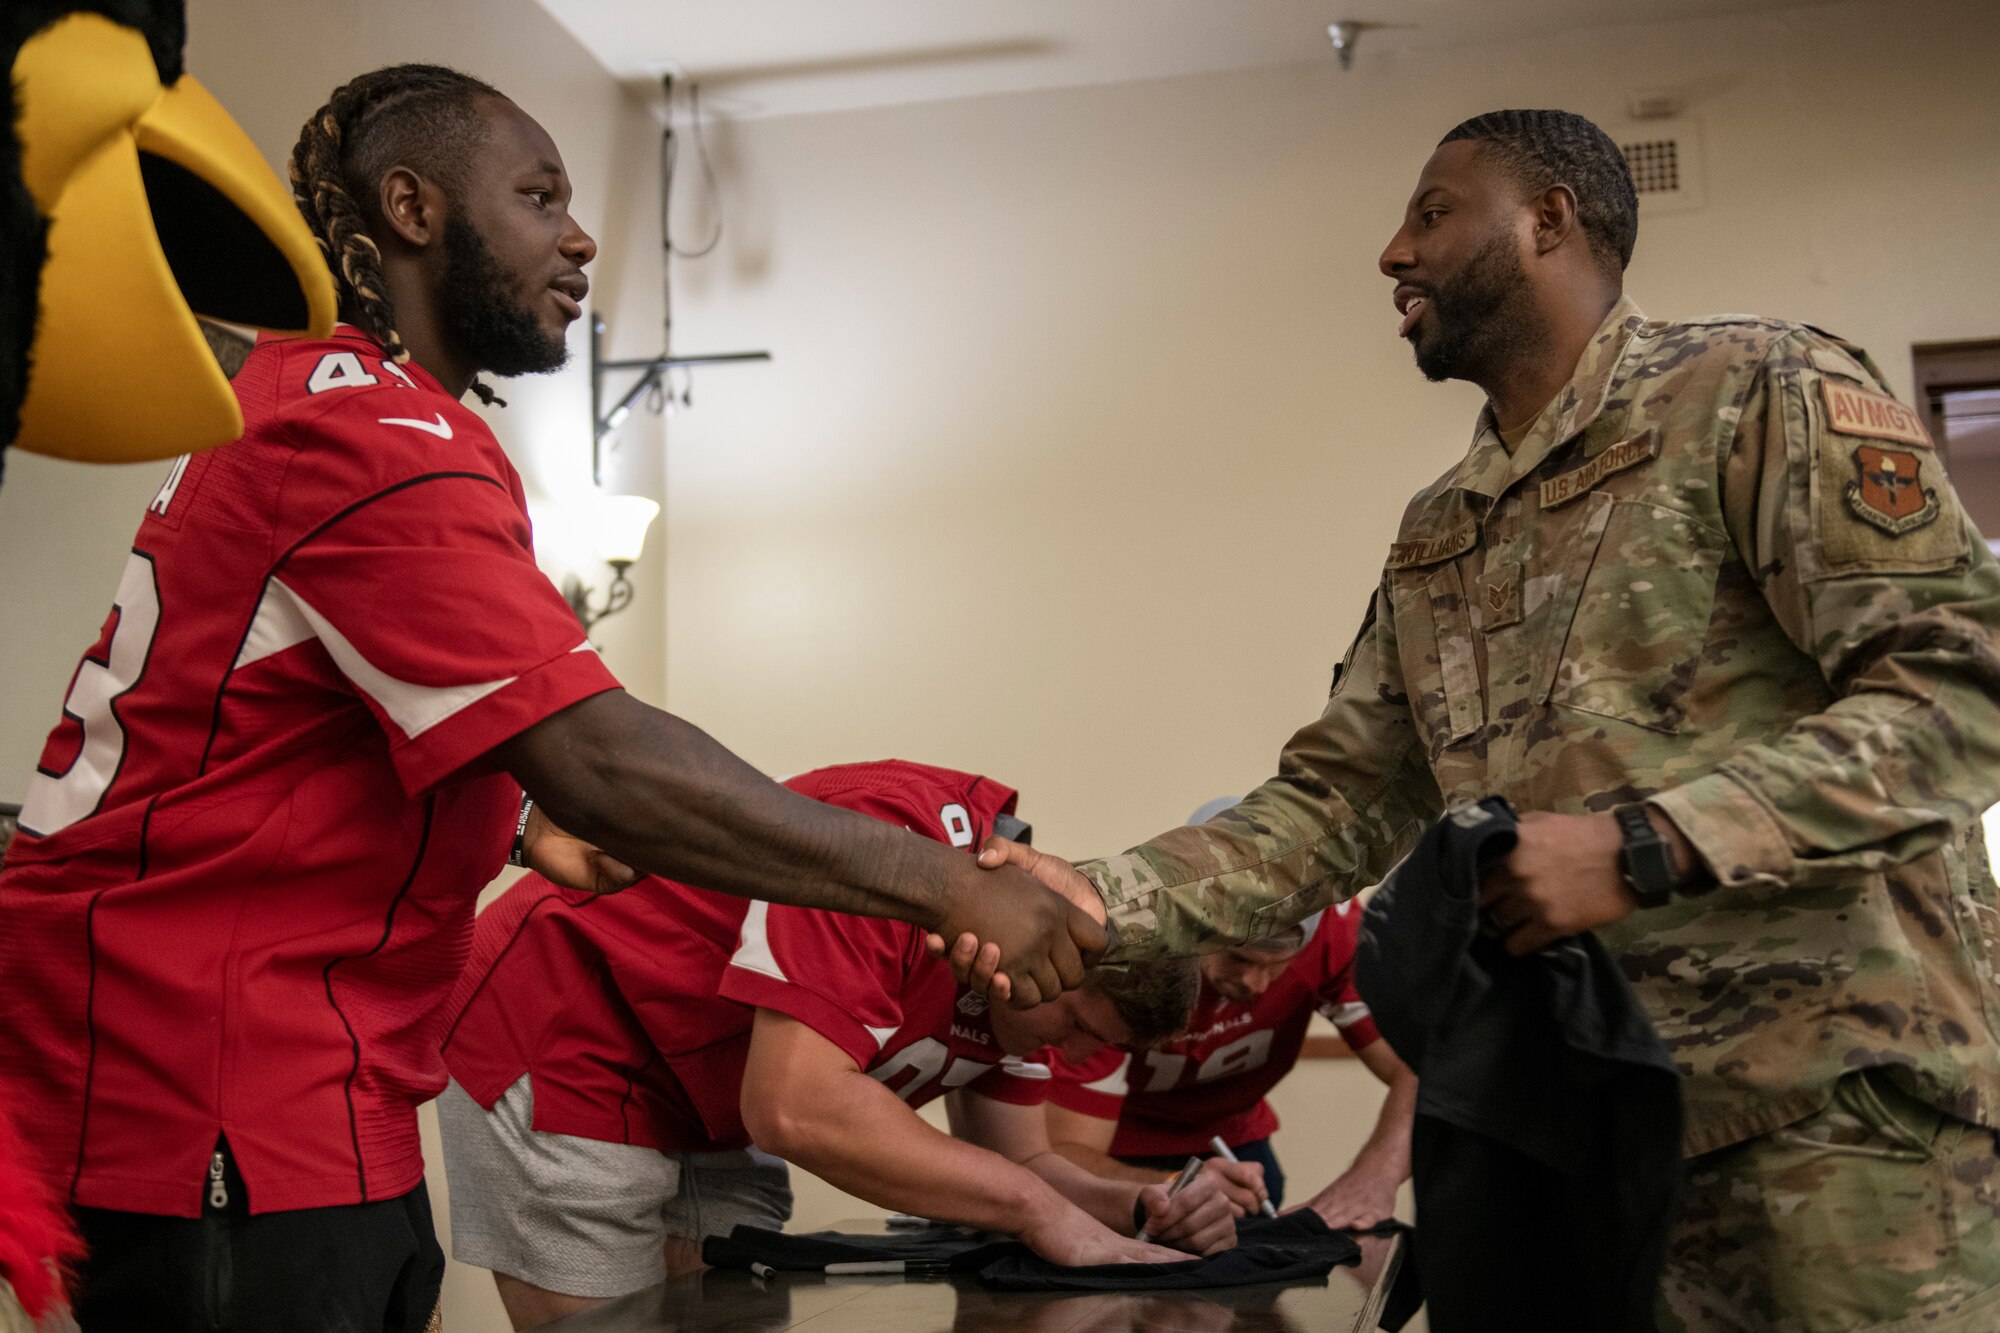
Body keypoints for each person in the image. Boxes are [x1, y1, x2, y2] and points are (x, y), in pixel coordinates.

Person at [0, 65, 1097, 1332]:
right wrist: (950, 884)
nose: (579, 237)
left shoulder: (364, 414)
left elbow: (300, 729)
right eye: (538, 196)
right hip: (215, 1074)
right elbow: (602, 756)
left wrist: (515, 827)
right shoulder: (363, 434)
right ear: (411, 206)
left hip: (313, 1076)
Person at [958, 108, 2000, 1330]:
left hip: (1820, 1128)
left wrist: (1644, 843)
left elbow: (1960, 686)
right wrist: (1093, 898)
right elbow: (1331, 805)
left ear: (1547, 218)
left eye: (1432, 213)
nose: (1391, 253)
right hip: (1558, 1134)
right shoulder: (1442, 524)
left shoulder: (1752, 389)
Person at [437, 761, 1219, 1329]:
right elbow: (793, 1107)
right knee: (611, 1320)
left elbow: (1024, 1164)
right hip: (566, 1013)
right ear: (1056, 941)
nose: (1074, 1054)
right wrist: (1037, 1209)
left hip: (700, 1076)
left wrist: (1132, 1205)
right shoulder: (900, 851)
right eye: (1078, 1025)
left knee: (725, 1308)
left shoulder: (1032, 983)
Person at [1046, 902, 1415, 1229]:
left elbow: (1423, 1067)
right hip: (1116, 1146)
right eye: (1239, 958)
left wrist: (1374, 1178)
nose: (1256, 984)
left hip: (1235, 1145)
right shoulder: (1141, 948)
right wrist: (1174, 1183)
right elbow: (1063, 1153)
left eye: (1279, 964)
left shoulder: (1334, 933)